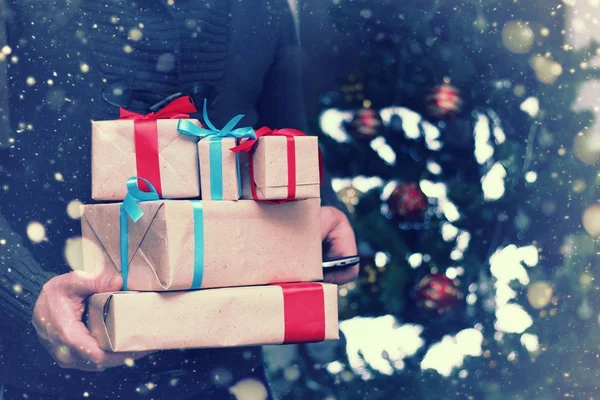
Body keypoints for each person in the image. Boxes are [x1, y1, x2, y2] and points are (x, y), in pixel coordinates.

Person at [0, 0, 358, 399]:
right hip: (49, 380)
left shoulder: (264, 8)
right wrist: (25, 290)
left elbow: (285, 135)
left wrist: (321, 211)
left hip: (227, 371)